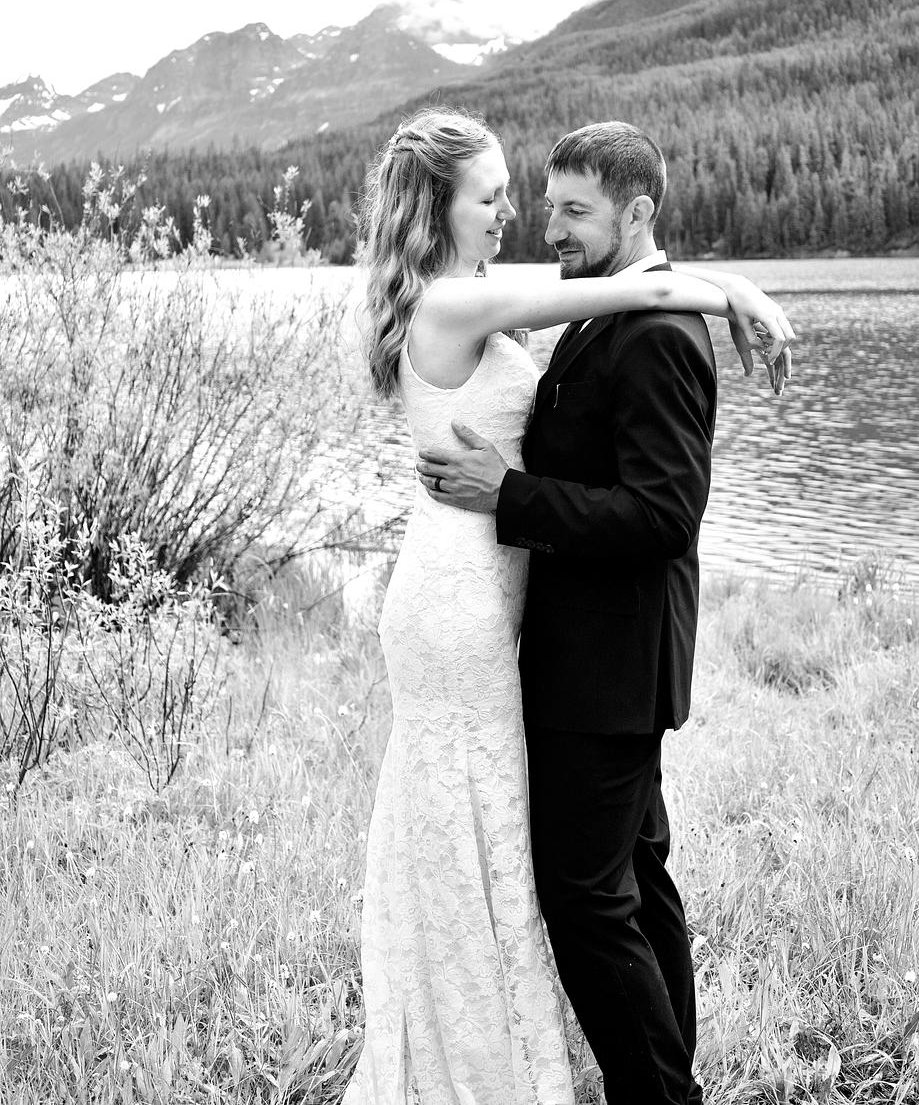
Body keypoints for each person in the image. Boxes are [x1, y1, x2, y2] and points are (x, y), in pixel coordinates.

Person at [344, 108, 793, 1105]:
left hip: (566, 630)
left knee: (595, 883)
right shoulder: (463, 302)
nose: (530, 220)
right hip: (467, 606)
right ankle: (476, 1057)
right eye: (502, 196)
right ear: (439, 209)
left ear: (633, 213)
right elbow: (642, 286)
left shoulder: (599, 320)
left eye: (561, 207)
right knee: (505, 852)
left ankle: (644, 1085)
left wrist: (729, 290)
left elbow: (661, 509)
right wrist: (733, 289)